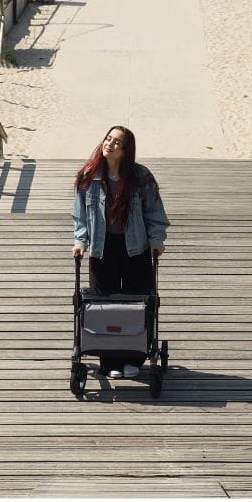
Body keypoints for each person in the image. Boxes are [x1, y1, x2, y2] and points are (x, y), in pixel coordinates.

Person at [71, 126, 170, 379]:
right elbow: (79, 217)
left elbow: (155, 213)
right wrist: (80, 241)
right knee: (104, 304)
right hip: (101, 249)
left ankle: (134, 359)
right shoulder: (88, 176)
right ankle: (110, 359)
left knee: (139, 301)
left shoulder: (140, 177)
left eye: (117, 142)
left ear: (126, 150)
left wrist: (157, 240)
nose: (109, 144)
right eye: (107, 138)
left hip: (135, 247)